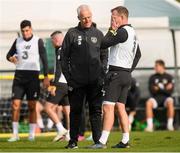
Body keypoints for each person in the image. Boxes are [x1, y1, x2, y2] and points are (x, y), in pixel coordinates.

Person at [61, 4, 108, 149]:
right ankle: (73, 141)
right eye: (84, 18)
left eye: (89, 17)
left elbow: (104, 56)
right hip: (76, 82)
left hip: (95, 82)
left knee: (96, 111)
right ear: (78, 18)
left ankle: (97, 141)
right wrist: (69, 78)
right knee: (75, 111)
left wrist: (102, 75)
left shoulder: (98, 34)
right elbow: (63, 57)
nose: (87, 20)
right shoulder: (72, 34)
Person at [94, 6, 141, 149]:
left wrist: (111, 29)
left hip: (116, 74)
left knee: (108, 107)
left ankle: (102, 142)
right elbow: (138, 54)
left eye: (114, 17)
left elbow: (103, 43)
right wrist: (127, 70)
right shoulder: (133, 32)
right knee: (120, 108)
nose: (112, 19)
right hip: (126, 75)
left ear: (122, 17)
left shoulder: (121, 32)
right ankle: (125, 140)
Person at [6, 20, 49, 142]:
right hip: (19, 77)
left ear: (31, 29)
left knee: (32, 106)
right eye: (23, 31)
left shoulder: (38, 41)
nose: (25, 33)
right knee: (15, 105)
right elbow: (8, 55)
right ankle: (15, 134)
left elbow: (44, 59)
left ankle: (31, 134)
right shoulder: (17, 41)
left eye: (27, 30)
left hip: (33, 77)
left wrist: (46, 76)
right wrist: (11, 58)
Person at [45, 31, 70, 141]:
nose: (52, 44)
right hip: (68, 83)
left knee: (47, 107)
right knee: (67, 110)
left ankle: (61, 129)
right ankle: (69, 134)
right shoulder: (68, 48)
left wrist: (54, 85)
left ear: (56, 40)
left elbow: (60, 68)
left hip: (60, 83)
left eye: (52, 41)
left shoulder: (60, 49)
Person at [145, 59, 175, 132]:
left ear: (162, 66)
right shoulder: (152, 77)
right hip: (156, 98)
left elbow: (170, 92)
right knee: (148, 103)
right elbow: (152, 91)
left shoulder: (169, 77)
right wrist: (165, 88)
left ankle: (170, 126)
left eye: (156, 66)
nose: (155, 68)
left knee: (170, 102)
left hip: (166, 98)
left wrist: (158, 88)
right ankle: (150, 126)